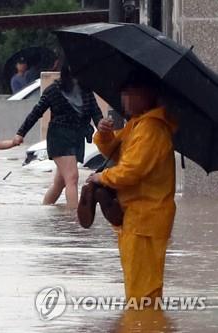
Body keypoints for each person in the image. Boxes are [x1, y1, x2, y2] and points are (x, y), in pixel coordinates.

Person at [86, 76, 177, 302]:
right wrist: (105, 134)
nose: (124, 99)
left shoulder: (152, 128)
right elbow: (117, 152)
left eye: (130, 93)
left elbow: (131, 170)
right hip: (135, 218)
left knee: (143, 292)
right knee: (137, 287)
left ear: (147, 94)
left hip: (146, 219)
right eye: (123, 93)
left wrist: (101, 177)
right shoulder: (138, 124)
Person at [13, 60, 103, 209]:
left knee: (59, 183)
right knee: (72, 177)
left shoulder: (86, 90)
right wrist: (20, 133)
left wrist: (102, 125)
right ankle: (75, 219)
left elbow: (96, 113)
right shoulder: (54, 90)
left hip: (77, 138)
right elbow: (36, 113)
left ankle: (46, 211)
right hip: (59, 137)